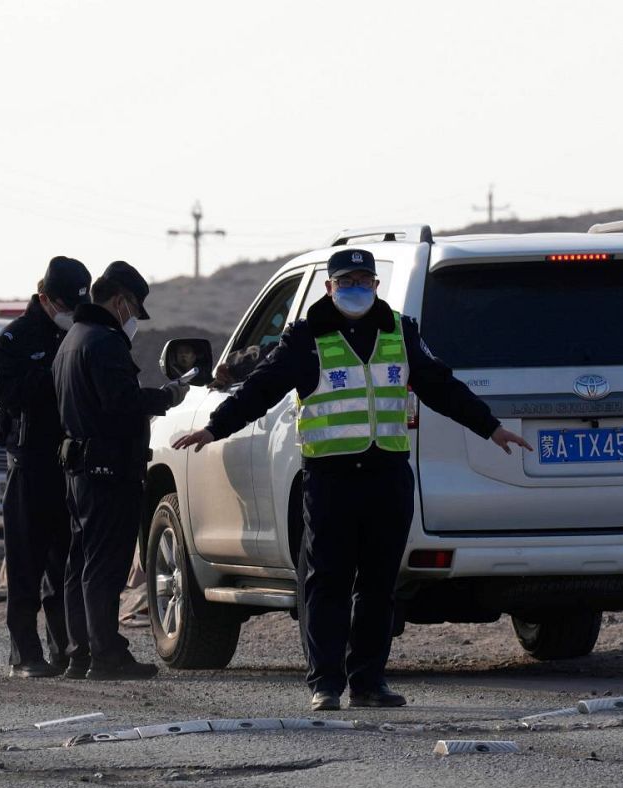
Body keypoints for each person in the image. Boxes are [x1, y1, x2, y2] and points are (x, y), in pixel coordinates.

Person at [173, 248, 531, 710]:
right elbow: (262, 387)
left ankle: (368, 681)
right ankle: (325, 683)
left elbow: (441, 386)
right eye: (346, 281)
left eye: (364, 279)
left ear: (376, 285)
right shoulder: (306, 336)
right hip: (330, 478)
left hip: (387, 475)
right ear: (329, 287)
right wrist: (215, 426)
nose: (355, 288)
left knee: (380, 585)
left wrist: (490, 427)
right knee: (328, 582)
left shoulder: (400, 331)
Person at [52, 261, 189, 680]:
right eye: (132, 308)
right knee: (104, 566)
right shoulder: (104, 342)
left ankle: (81, 652)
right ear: (119, 301)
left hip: (80, 468)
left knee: (81, 564)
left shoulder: (72, 340)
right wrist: (167, 396)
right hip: (107, 468)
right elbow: (121, 402)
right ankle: (106, 653)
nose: (132, 319)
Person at [0, 256, 90, 678]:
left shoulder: (82, 332)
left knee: (65, 563)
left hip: (70, 464)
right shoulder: (16, 338)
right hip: (31, 464)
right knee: (27, 563)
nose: (71, 312)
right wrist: (54, 372)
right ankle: (25, 654)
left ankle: (65, 649)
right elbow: (6, 394)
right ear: (46, 298)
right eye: (66, 304)